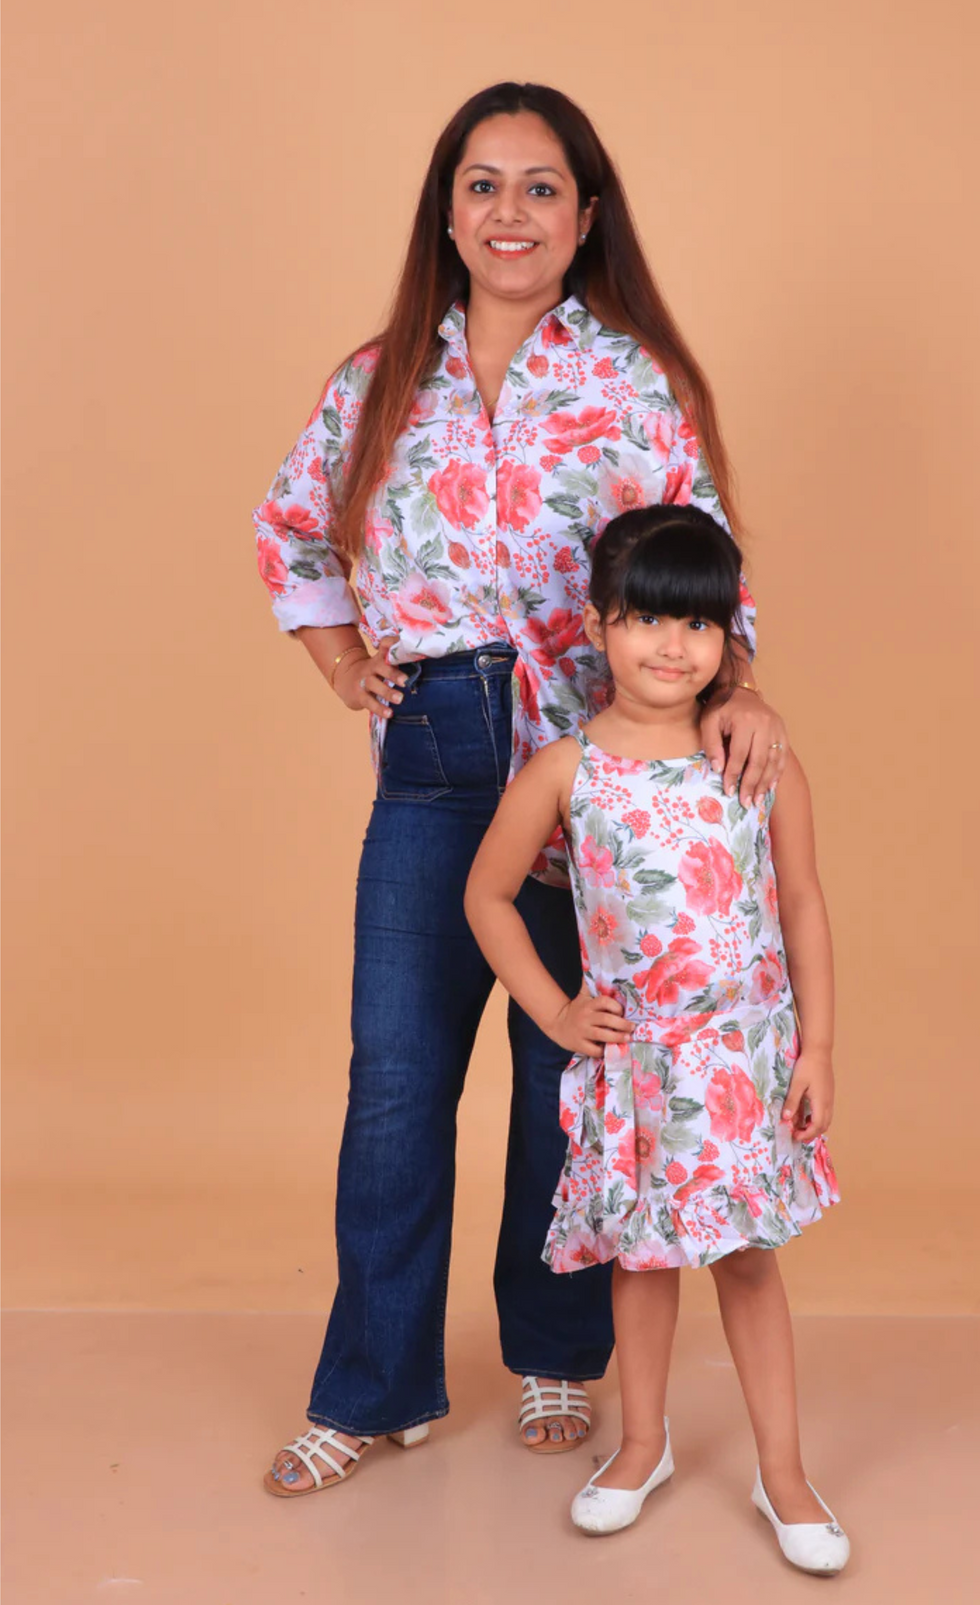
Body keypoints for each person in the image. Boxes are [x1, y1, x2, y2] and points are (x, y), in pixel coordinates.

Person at [254, 81, 789, 1498]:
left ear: (586, 215)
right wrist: (343, 664)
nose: (511, 211)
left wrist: (738, 686)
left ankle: (559, 1352)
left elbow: (705, 563)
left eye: (541, 187)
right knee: (399, 1082)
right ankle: (375, 1388)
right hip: (435, 754)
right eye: (484, 184)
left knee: (573, 1070)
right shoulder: (375, 381)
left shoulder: (631, 381)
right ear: (448, 211)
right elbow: (293, 530)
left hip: (592, 762)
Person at [464, 504, 847, 1574]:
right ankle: (641, 1447)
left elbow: (804, 905)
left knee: (743, 1260)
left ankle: (783, 1473)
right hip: (635, 1066)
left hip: (739, 1064)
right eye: (642, 619)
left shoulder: (753, 761)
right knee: (638, 1262)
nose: (669, 646)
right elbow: (488, 895)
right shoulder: (563, 770)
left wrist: (816, 1049)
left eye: (697, 625)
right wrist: (550, 1010)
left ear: (727, 639)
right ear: (595, 627)